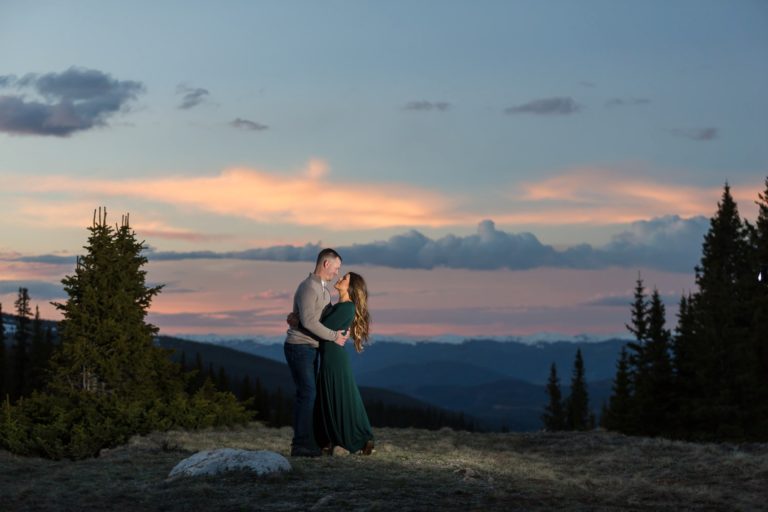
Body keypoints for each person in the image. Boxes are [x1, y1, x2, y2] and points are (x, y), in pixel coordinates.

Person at [284, 248, 349, 457]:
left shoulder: (323, 289)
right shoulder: (308, 288)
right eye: (336, 268)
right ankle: (300, 445)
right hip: (299, 347)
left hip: (311, 348)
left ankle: (310, 442)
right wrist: (333, 336)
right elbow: (310, 321)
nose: (337, 273)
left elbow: (325, 316)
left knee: (310, 394)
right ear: (326, 264)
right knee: (307, 394)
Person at [314, 271, 374, 456]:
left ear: (351, 287)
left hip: (334, 359)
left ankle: (351, 439)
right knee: (335, 396)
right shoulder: (339, 306)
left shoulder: (347, 308)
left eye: (344, 279)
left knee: (338, 396)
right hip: (330, 356)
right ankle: (332, 439)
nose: (339, 279)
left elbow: (320, 329)